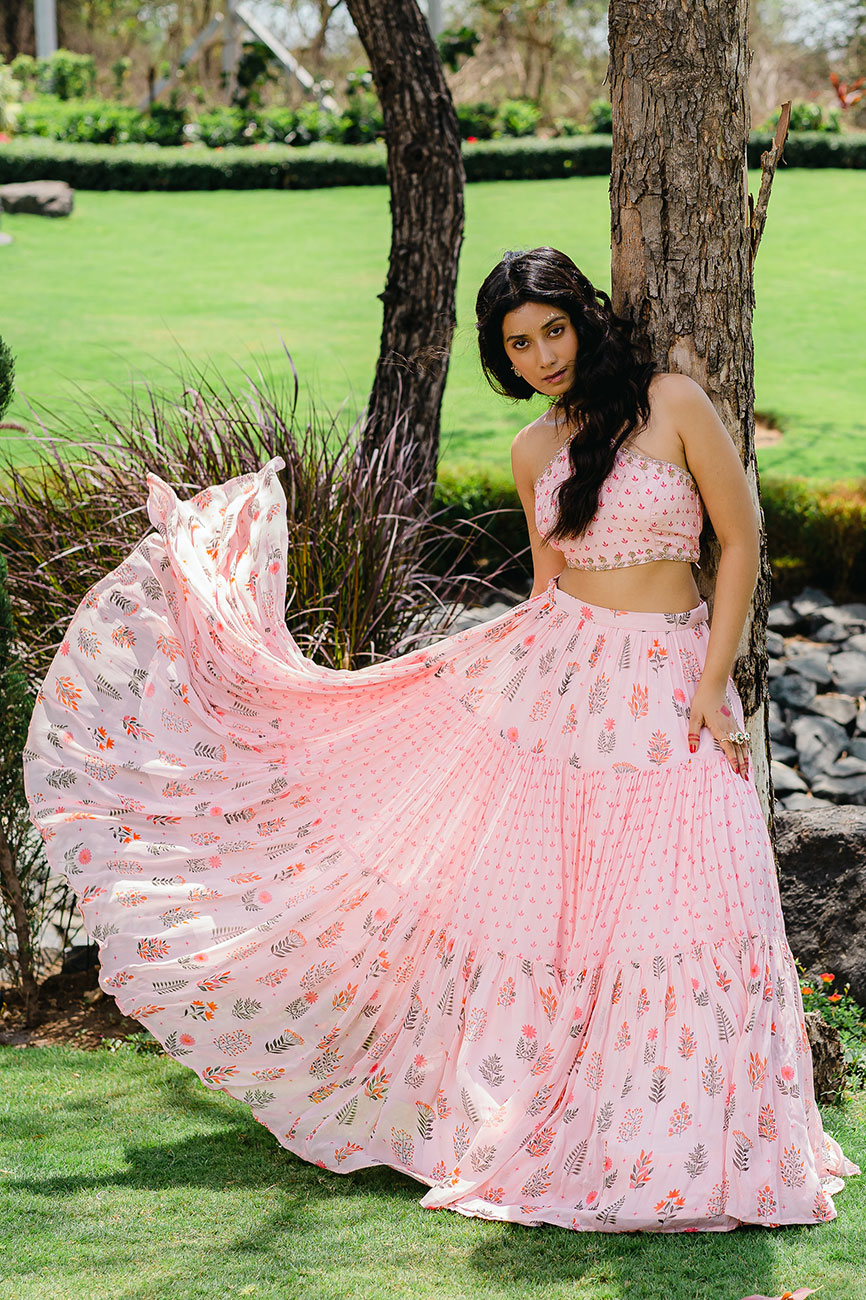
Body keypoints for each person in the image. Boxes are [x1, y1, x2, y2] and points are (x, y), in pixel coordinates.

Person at [23, 246, 857, 1234]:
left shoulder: (671, 402)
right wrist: (464, 682)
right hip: (558, 694)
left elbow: (740, 536)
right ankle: (562, 1125)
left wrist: (712, 676)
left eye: (552, 328)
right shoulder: (531, 450)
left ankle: (684, 1143)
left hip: (668, 686)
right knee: (560, 922)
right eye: (518, 343)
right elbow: (547, 594)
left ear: (581, 320)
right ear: (500, 358)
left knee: (685, 904)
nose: (542, 352)